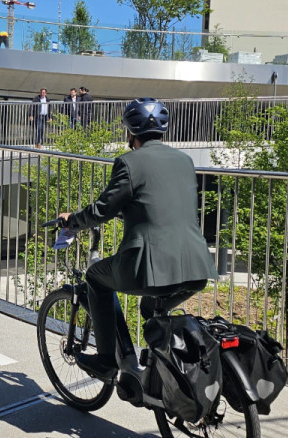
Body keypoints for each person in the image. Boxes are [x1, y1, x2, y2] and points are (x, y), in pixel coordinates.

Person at [56, 98, 218, 383]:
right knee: (150, 309)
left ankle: (107, 360)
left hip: (149, 267)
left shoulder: (129, 163)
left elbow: (102, 210)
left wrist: (72, 221)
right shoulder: (185, 160)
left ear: (130, 131)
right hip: (197, 267)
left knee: (95, 277)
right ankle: (163, 375)